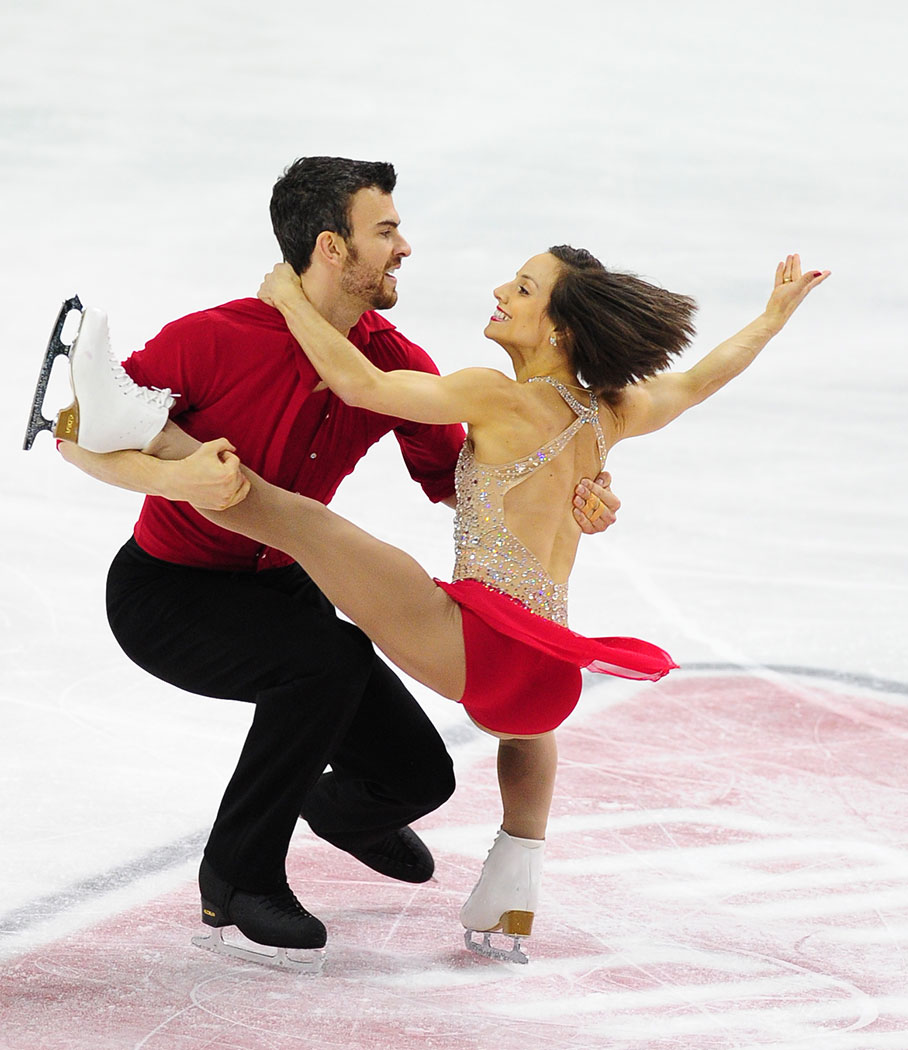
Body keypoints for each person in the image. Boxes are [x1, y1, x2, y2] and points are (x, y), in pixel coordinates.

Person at [117, 247, 828, 962]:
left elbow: (357, 383)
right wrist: (771, 318)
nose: (500, 291)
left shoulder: (499, 395)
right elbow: (700, 380)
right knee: (514, 741)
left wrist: (290, 300)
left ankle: (144, 424)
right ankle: (508, 900)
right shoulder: (615, 411)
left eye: (522, 289)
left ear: (561, 332)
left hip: (472, 640)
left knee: (295, 519)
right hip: (545, 676)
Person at [52, 156, 620, 970]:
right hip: (165, 589)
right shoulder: (211, 338)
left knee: (420, 776)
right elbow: (84, 431)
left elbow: (471, 484)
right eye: (385, 232)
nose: (405, 248)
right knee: (326, 662)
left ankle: (346, 812)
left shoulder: (395, 362)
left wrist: (576, 489)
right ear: (332, 247)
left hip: (278, 587)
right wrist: (174, 477)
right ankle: (237, 878)